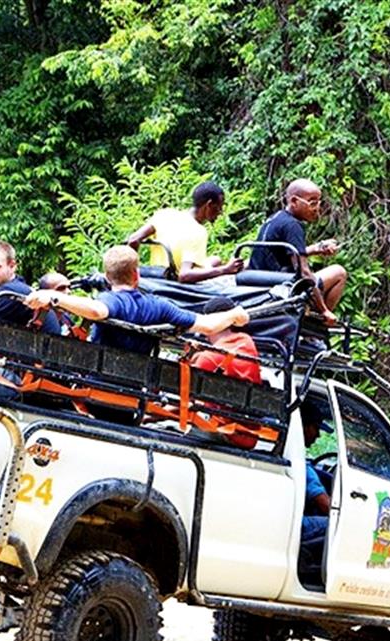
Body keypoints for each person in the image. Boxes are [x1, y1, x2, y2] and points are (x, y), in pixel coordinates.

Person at [24, 245, 249, 355]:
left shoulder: (110, 301)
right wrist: (235, 314)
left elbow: (96, 311)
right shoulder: (159, 305)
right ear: (137, 275)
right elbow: (208, 324)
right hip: (138, 388)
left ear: (107, 277)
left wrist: (52, 296)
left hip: (99, 384)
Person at [248, 178, 348, 326]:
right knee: (339, 272)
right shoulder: (293, 226)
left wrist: (316, 249)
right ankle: (319, 323)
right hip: (282, 285)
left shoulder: (275, 218)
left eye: (319, 202)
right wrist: (324, 310)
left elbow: (285, 253)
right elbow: (304, 273)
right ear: (294, 201)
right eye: (312, 203)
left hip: (261, 278)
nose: (317, 208)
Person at [126, 181, 243, 286]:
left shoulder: (165, 214)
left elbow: (133, 239)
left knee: (215, 259)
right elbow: (184, 275)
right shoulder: (197, 231)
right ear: (209, 205)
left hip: (157, 274)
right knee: (224, 270)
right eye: (219, 208)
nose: (220, 213)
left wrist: (131, 273)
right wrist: (224, 270)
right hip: (174, 281)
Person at [190, 295, 262, 449]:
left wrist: (150, 417)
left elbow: (183, 400)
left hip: (224, 433)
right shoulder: (247, 343)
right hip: (247, 437)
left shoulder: (207, 359)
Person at [299, 397, 334, 586]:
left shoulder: (295, 457)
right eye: (316, 428)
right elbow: (325, 506)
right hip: (298, 524)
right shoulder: (304, 469)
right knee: (335, 525)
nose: (318, 435)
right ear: (305, 427)